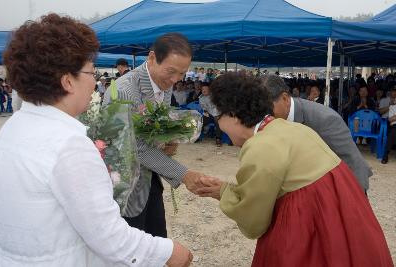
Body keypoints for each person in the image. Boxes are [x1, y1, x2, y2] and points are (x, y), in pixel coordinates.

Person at [0, 14, 192, 267]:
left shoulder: (13, 127)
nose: (95, 83)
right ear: (68, 81)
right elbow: (108, 236)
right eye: (91, 73)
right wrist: (168, 251)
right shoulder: (69, 146)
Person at [198, 72, 393, 267]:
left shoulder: (260, 146)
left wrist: (224, 192)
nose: (219, 124)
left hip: (307, 226)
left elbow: (254, 220)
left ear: (232, 115)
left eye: (218, 116)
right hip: (342, 216)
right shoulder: (294, 128)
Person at [104, 32, 216, 238]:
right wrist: (185, 174)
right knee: (131, 248)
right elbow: (133, 147)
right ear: (152, 58)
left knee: (156, 241)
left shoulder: (164, 84)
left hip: (150, 180)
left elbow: (152, 131)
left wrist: (166, 142)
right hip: (125, 187)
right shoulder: (123, 91)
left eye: (182, 74)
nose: (175, 80)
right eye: (171, 71)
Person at [257, 75, 372, 193]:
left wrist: (356, 198)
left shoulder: (325, 119)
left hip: (343, 187)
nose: (264, 117)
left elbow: (350, 160)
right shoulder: (274, 120)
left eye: (268, 111)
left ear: (285, 98)